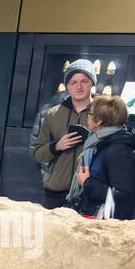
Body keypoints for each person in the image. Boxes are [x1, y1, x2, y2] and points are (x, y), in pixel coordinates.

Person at [68, 96, 135, 220]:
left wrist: (87, 183)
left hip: (104, 224)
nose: (87, 116)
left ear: (99, 121)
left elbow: (123, 195)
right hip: (93, 215)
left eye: (90, 113)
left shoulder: (118, 151)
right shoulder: (101, 144)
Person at [33, 59, 95, 209]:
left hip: (89, 189)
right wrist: (57, 146)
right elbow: (37, 153)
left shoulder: (103, 113)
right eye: (73, 82)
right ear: (67, 85)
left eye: (84, 81)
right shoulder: (52, 114)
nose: (78, 86)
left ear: (92, 83)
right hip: (55, 190)